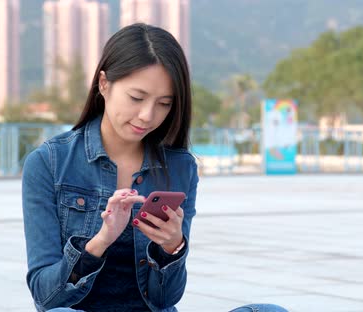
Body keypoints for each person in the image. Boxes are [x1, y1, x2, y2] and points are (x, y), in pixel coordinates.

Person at [22, 23, 288, 312]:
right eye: (136, 98)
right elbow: (45, 297)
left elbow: (165, 299)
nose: (148, 116)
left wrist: (172, 248)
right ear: (104, 84)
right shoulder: (49, 163)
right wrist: (101, 241)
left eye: (164, 103)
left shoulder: (180, 168)